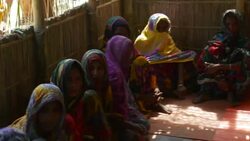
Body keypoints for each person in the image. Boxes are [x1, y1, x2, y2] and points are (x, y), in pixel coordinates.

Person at [133, 13, 197, 102]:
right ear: (153, 26)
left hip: (166, 59)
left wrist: (165, 57)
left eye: (164, 28)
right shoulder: (141, 40)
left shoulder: (166, 36)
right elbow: (138, 57)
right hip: (151, 63)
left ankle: (188, 86)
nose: (162, 30)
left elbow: (173, 50)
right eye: (159, 27)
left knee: (188, 61)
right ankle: (167, 91)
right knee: (154, 69)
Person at [193, 9, 250, 106]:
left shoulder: (245, 41)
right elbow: (207, 59)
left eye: (234, 24)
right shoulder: (219, 37)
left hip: (232, 72)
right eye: (228, 24)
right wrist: (219, 77)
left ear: (239, 24)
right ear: (224, 24)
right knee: (208, 50)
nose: (231, 27)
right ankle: (207, 92)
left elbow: (245, 63)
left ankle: (231, 93)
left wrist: (219, 66)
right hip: (217, 75)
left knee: (241, 54)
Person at [50, 59, 111, 141]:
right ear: (61, 80)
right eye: (69, 80)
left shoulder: (89, 101)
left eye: (78, 79)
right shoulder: (52, 106)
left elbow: (103, 134)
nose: (73, 85)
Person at [105, 35, 150, 140]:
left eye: (129, 52)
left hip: (122, 115)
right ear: (117, 52)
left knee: (144, 124)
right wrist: (130, 124)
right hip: (115, 118)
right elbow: (118, 107)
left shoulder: (118, 67)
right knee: (142, 127)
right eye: (125, 53)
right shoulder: (114, 74)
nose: (128, 56)